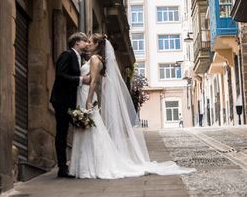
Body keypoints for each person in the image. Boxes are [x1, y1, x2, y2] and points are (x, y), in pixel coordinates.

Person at [69, 34, 194, 179]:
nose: (88, 44)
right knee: (88, 129)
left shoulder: (96, 59)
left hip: (87, 97)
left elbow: (93, 82)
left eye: (90, 42)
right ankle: (85, 165)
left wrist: (89, 100)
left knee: (92, 130)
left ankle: (93, 165)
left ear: (97, 45)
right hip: (83, 94)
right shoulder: (93, 59)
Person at [50, 32, 90, 178]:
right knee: (62, 133)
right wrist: (81, 79)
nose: (87, 44)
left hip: (72, 101)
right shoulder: (67, 55)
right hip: (61, 100)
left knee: (79, 130)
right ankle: (62, 168)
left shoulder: (79, 58)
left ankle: (80, 163)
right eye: (85, 41)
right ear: (77, 42)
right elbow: (60, 75)